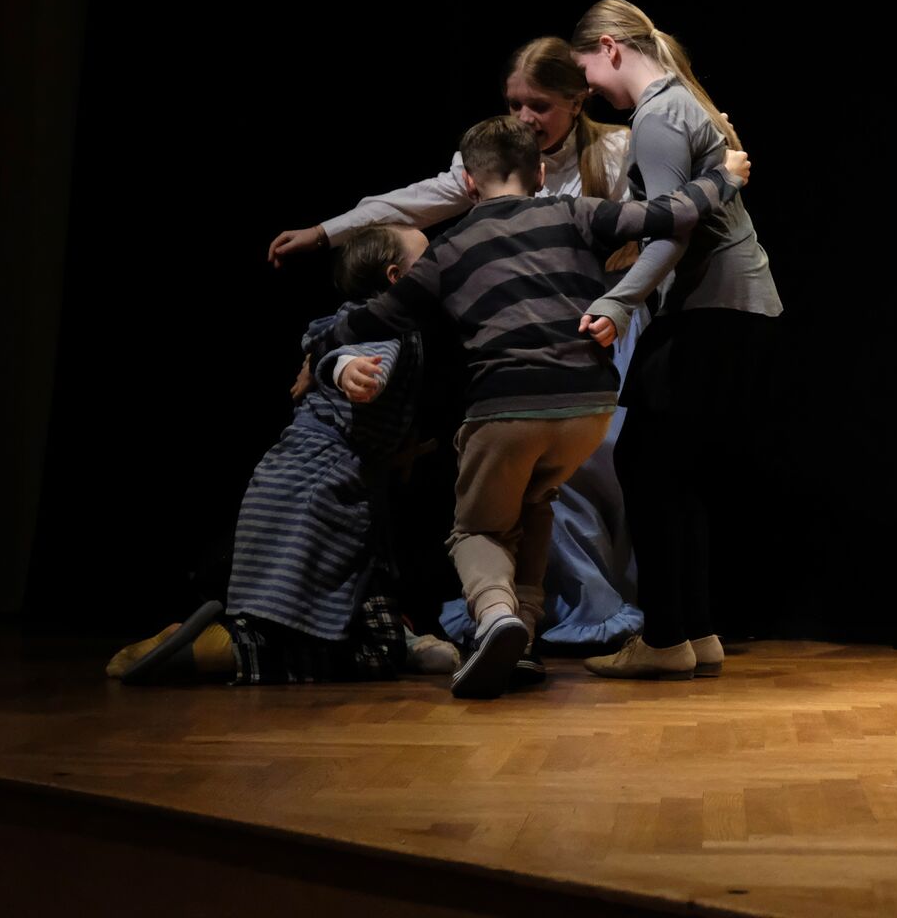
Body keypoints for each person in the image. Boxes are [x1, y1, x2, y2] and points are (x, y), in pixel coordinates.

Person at [307, 115, 750, 699]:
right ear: (540, 174)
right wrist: (723, 176)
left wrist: (320, 351)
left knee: (478, 530)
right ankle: (524, 636)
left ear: (469, 183)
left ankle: (496, 617)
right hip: (588, 409)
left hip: (507, 409)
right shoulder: (575, 212)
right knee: (536, 504)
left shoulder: (449, 249)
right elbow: (668, 214)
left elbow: (371, 318)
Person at [267, 39, 648, 653]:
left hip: (602, 326)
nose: (524, 117)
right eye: (514, 104)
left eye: (539, 105)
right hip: (532, 346)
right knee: (549, 490)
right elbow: (409, 203)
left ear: (577, 102)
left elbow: (658, 228)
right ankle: (546, 613)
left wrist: (621, 301)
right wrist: (324, 233)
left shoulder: (614, 151)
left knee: (598, 476)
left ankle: (582, 607)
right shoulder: (496, 160)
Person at [107, 224, 462, 685]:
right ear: (396, 277)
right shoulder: (382, 325)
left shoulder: (369, 321)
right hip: (317, 489)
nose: (438, 265)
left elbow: (329, 351)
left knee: (355, 593)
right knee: (356, 646)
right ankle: (227, 649)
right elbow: (348, 356)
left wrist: (398, 448)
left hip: (303, 478)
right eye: (427, 258)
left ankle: (225, 642)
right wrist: (348, 370)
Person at [568, 0, 784, 682]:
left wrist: (616, 301)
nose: (589, 90)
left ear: (609, 47)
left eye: (586, 72)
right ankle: (694, 631)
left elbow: (671, 229)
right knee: (675, 470)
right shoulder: (688, 102)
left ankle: (665, 636)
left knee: (646, 463)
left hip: (710, 307)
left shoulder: (658, 114)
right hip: (734, 304)